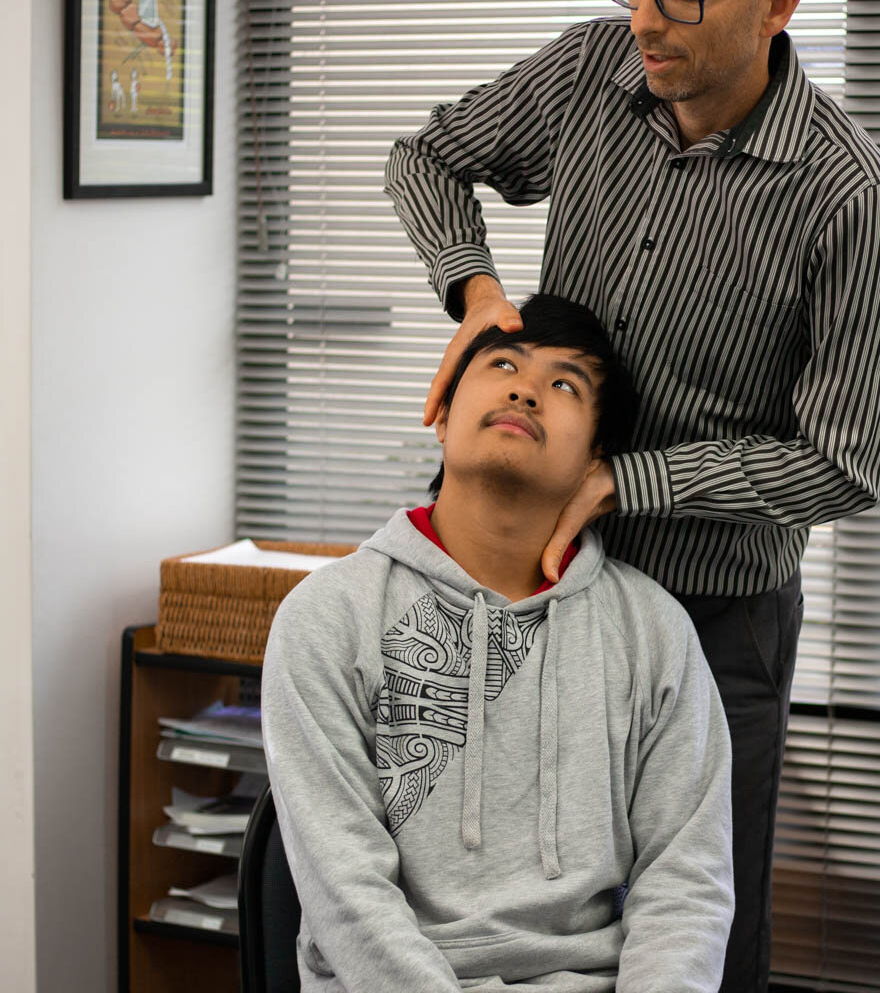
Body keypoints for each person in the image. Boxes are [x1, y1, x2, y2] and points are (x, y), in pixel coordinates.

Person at [384, 0, 880, 992]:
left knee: (698, 941)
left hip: (712, 621)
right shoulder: (589, 73)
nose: (646, 17)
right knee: (512, 921)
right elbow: (426, 158)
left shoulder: (850, 200)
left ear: (779, 0)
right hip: (533, 597)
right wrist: (475, 293)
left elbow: (847, 461)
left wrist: (631, 480)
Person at [262, 293, 734, 992]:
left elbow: (685, 883)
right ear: (442, 413)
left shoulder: (653, 632)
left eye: (565, 384)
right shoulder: (329, 618)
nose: (525, 389)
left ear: (599, 460)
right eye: (503, 363)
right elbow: (346, 892)